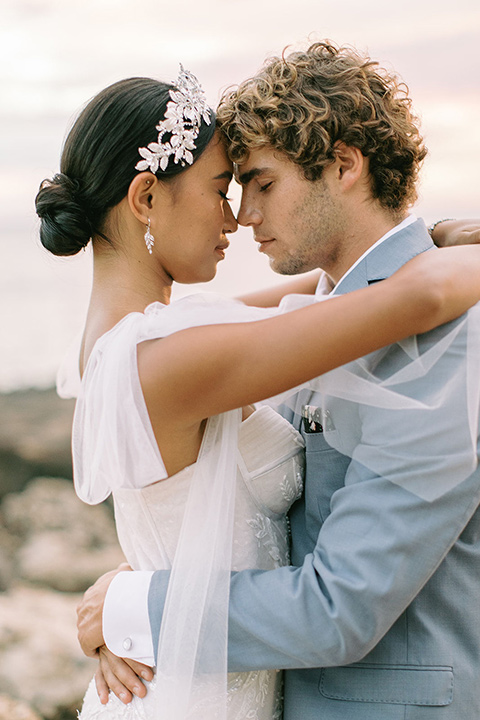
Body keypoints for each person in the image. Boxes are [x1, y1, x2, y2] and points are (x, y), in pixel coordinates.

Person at [74, 44, 480, 720]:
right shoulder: (315, 321)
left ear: (344, 166)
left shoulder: (441, 342)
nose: (244, 215)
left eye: (261, 183)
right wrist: (141, 591)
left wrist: (137, 605)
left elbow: (341, 607)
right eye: (230, 190)